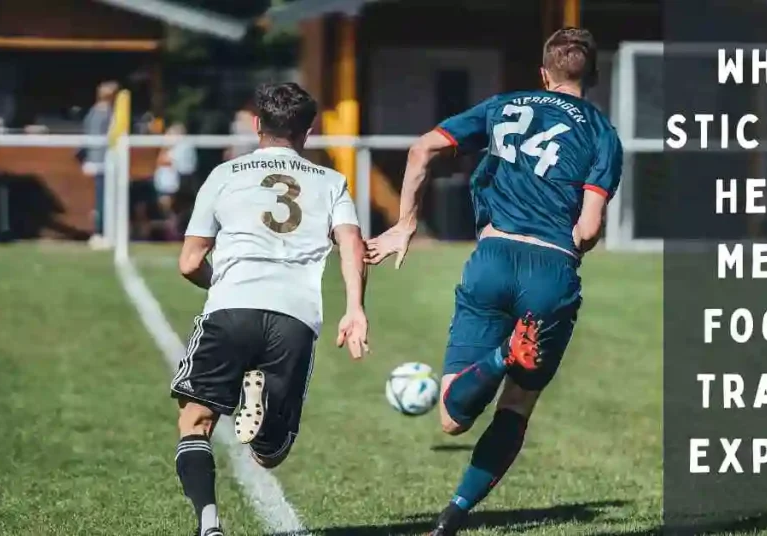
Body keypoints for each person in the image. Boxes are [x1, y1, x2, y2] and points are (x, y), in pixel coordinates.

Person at [365, 28, 622, 535]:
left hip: (492, 258)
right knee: (518, 406)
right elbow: (589, 229)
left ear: (543, 74)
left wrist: (406, 224)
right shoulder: (602, 131)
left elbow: (422, 150)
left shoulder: (503, 106)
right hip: (551, 268)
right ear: (591, 77)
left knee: (451, 418)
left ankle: (503, 353)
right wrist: (569, 243)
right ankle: (453, 517)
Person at [172, 82, 370, 536]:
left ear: (257, 124)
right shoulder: (332, 181)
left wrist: (219, 282)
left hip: (232, 306)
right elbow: (351, 246)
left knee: (195, 421)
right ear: (310, 129)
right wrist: (355, 308)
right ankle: (255, 396)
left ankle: (209, 526)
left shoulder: (224, 174)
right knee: (270, 452)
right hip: (295, 317)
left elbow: (189, 263)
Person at [81, 81, 118, 249]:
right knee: (103, 198)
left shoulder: (92, 112)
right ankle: (100, 232)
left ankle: (101, 232)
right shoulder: (109, 113)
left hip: (94, 159)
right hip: (103, 160)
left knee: (101, 197)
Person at [153, 122, 197, 240]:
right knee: (168, 209)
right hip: (168, 185)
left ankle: (174, 231)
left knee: (172, 208)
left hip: (176, 185)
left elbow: (167, 162)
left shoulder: (182, 148)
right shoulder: (170, 149)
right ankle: (173, 230)